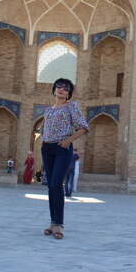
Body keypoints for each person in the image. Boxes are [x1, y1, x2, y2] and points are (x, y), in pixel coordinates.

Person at [41, 78, 89, 240]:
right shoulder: (48, 110)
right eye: (59, 86)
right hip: (47, 149)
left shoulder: (71, 106)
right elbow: (44, 130)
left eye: (66, 88)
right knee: (50, 186)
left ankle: (59, 224)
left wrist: (68, 141)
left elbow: (83, 127)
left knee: (57, 184)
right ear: (54, 89)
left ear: (69, 93)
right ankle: (52, 222)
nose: (61, 89)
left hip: (62, 148)